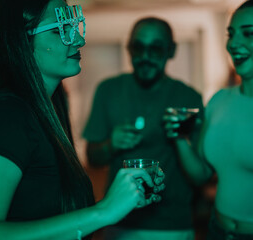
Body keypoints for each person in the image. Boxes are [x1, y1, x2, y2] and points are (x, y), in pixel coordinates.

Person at [0, 0, 165, 240]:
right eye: (59, 29)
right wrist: (104, 211)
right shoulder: (7, 113)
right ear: (22, 40)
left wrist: (123, 200)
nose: (78, 40)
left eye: (73, 27)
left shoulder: (46, 108)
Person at [164, 0, 253, 239]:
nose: (234, 44)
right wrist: (179, 137)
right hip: (217, 230)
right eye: (231, 34)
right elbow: (201, 174)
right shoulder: (219, 100)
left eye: (248, 33)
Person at [83, 17, 204, 239]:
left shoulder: (188, 97)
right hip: (119, 220)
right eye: (138, 47)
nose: (145, 57)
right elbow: (92, 158)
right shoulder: (108, 90)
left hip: (173, 225)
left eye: (155, 49)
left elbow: (200, 176)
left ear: (171, 51)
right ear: (128, 48)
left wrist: (178, 139)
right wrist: (111, 145)